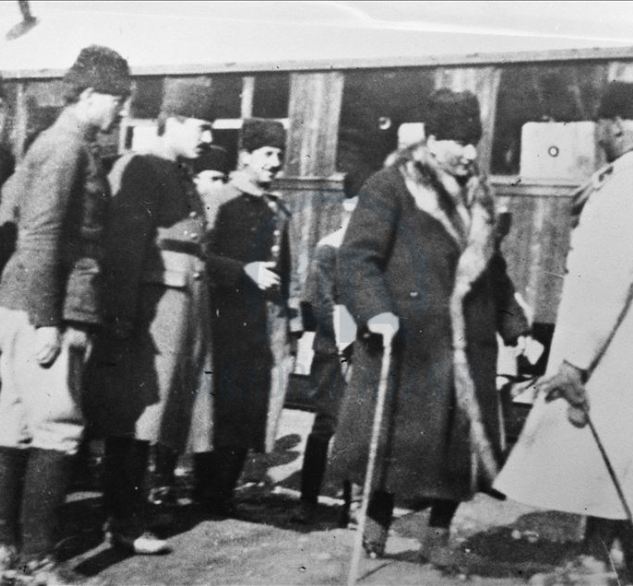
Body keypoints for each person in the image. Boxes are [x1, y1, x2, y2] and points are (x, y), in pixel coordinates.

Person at [494, 81, 633, 584]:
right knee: (622, 461)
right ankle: (610, 560)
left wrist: (574, 363)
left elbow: (609, 280)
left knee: (608, 456)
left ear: (617, 125)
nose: (597, 134)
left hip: (618, 340)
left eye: (601, 124)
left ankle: (601, 564)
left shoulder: (627, 184)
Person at [328, 89, 529, 570]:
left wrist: (513, 323)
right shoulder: (390, 186)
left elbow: (493, 267)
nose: (470, 152)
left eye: (474, 141)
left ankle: (438, 535)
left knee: (458, 445)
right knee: (395, 437)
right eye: (460, 141)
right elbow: (357, 259)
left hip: (468, 338)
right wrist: (376, 312)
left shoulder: (478, 194)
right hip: (407, 338)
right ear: (433, 139)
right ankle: (374, 523)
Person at [0, 45, 130, 584]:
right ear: (90, 95)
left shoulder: (58, 144)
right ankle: (38, 559)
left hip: (25, 303)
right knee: (58, 429)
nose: (122, 110)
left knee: (15, 425)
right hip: (45, 308)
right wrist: (47, 320)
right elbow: (38, 237)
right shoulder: (66, 148)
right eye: (117, 99)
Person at [85, 77, 216, 554]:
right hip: (151, 310)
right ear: (172, 121)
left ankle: (132, 509)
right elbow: (125, 249)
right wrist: (121, 317)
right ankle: (123, 519)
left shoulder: (177, 171)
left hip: (179, 306)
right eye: (200, 127)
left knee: (156, 419)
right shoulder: (143, 168)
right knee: (136, 419)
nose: (208, 138)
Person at [198, 118, 300, 515]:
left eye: (280, 154)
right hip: (221, 321)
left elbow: (287, 271)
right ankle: (207, 493)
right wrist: (241, 271)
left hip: (261, 325)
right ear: (245, 156)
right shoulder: (218, 200)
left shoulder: (277, 209)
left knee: (249, 409)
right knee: (217, 409)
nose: (275, 163)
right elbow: (198, 258)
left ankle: (222, 494)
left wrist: (293, 325)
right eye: (267, 154)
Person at [292, 168, 366, 526]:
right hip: (333, 352)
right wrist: (345, 342)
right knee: (327, 424)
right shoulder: (330, 248)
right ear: (349, 206)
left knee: (360, 428)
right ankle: (307, 500)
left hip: (365, 350)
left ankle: (353, 506)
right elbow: (320, 304)